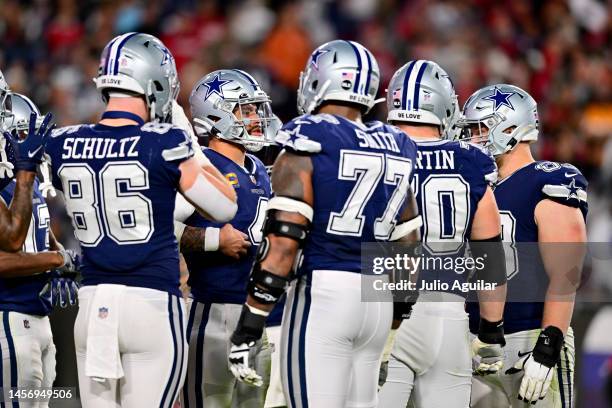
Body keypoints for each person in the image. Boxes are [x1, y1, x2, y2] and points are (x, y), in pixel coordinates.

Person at [42, 32, 238, 407]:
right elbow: (225, 205)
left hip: (91, 305)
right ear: (155, 81)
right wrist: (188, 143)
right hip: (150, 305)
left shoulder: (62, 141)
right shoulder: (163, 141)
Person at [227, 39, 422, 408]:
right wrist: (396, 318)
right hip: (377, 301)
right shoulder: (396, 143)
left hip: (326, 295)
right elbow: (409, 245)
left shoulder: (308, 136)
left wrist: (251, 320)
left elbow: (284, 241)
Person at [377, 60, 508, 407]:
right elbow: (490, 257)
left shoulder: (375, 151)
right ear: (444, 104)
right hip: (448, 315)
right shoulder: (471, 160)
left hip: (382, 310)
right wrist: (491, 330)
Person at [461, 84, 587, 407]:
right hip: (477, 344)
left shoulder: (546, 181)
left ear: (510, 128)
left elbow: (566, 274)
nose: (472, 138)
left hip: (530, 339)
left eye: (479, 128)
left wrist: (548, 346)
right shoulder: (476, 186)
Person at [175, 68, 277, 408]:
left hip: (255, 312)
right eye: (245, 110)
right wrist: (213, 240)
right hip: (212, 311)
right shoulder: (200, 165)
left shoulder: (259, 167)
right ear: (217, 114)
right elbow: (159, 229)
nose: (256, 118)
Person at [0, 92, 80, 408]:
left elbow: (42, 237)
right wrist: (60, 258)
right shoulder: (18, 180)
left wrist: (59, 263)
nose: (32, 144)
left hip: (38, 318)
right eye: (23, 135)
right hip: (9, 317)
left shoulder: (27, 181)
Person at [0, 70, 54, 252]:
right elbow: (8, 250)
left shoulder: (32, 180)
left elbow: (46, 241)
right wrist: (58, 259)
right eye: (23, 135)